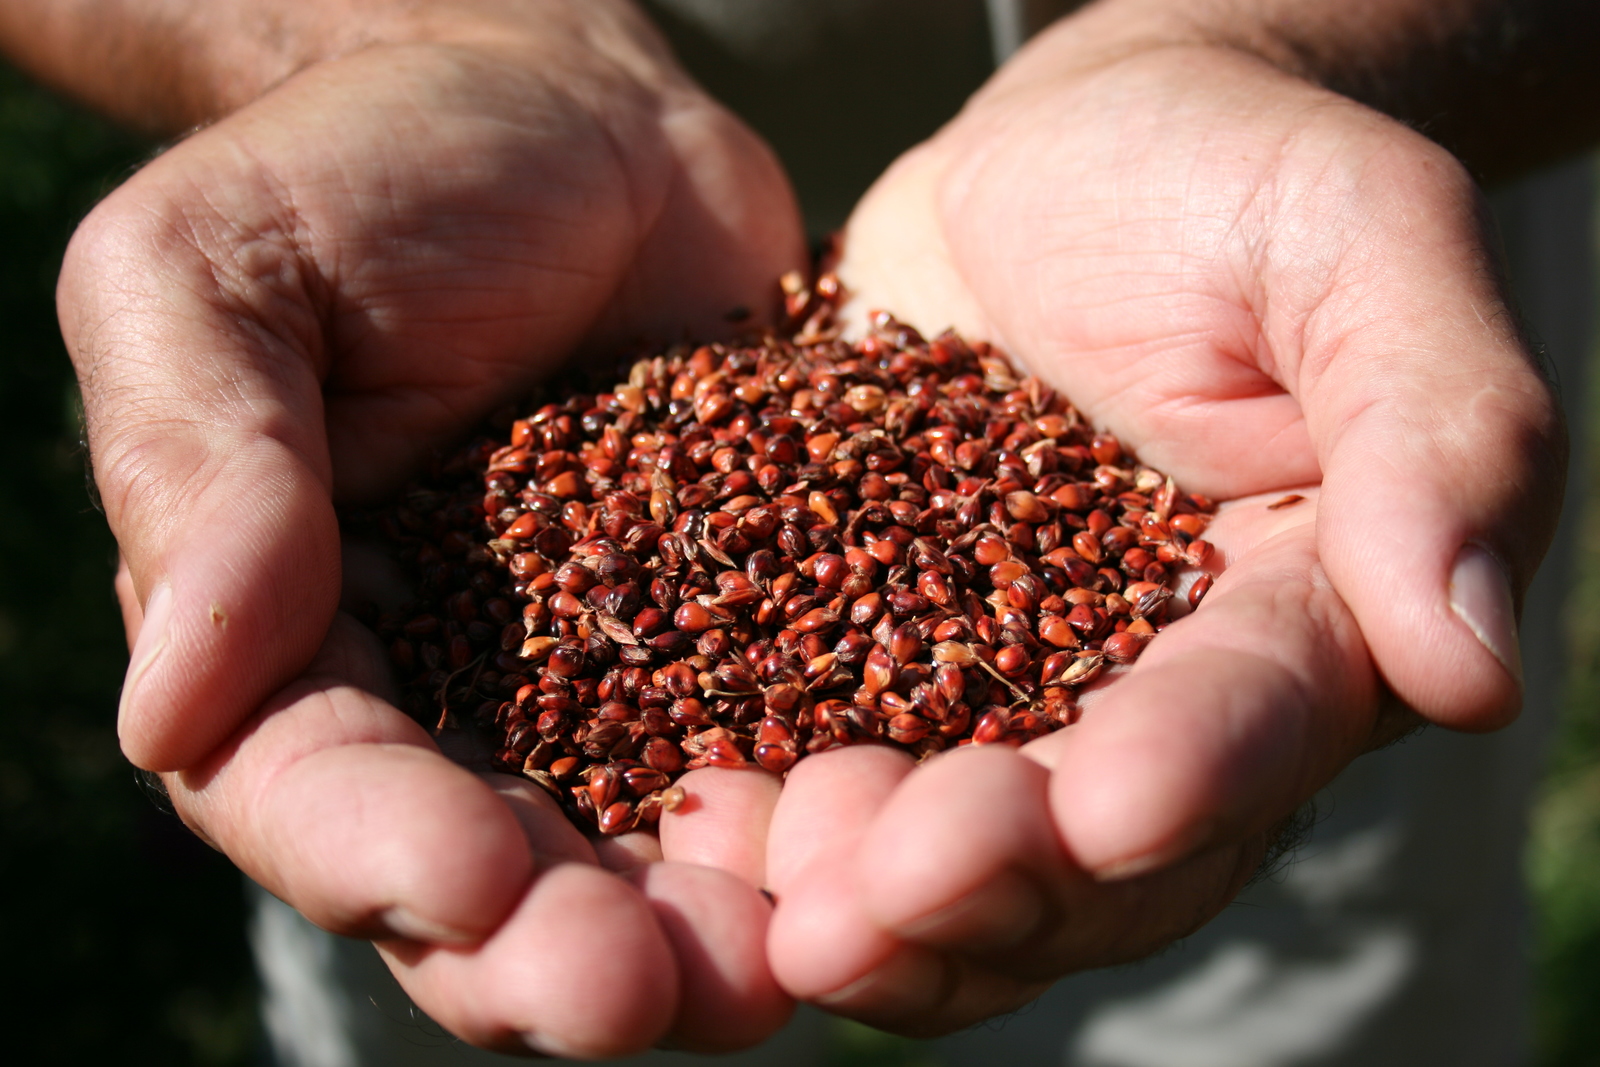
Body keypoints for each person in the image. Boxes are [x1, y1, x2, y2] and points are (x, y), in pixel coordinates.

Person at [0, 0, 1590, 1060]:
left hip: (1215, 353)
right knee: (489, 931)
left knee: (1280, 974)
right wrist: (405, 33)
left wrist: (1255, 37)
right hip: (480, 290)